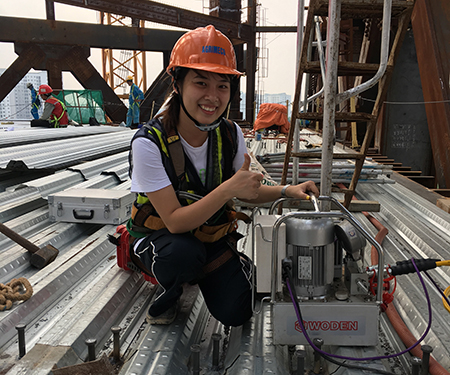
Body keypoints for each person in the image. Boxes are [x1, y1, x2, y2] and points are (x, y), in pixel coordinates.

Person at [127, 25, 319, 327]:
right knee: (181, 255)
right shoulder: (150, 142)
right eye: (200, 83)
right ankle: (168, 295)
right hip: (162, 240)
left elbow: (246, 191)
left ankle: (210, 269)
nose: (212, 97)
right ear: (177, 84)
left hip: (208, 236)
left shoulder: (228, 134)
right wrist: (228, 189)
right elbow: (175, 221)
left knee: (237, 311)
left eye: (222, 86)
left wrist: (287, 191)